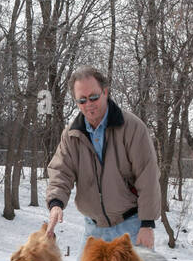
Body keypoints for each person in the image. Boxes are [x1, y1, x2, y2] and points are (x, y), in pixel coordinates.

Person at [45, 65, 161, 249]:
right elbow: (61, 172)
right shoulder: (71, 135)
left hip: (130, 226)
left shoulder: (132, 128)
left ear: (105, 92)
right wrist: (56, 203)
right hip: (93, 230)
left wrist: (147, 224)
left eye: (93, 97)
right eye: (82, 100)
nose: (88, 104)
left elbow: (147, 176)